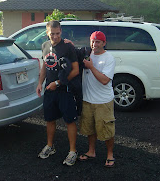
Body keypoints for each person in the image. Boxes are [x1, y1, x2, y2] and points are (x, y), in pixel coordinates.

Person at [36, 20, 80, 166]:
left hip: (64, 90)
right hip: (50, 90)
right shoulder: (44, 46)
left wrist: (57, 83)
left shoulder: (68, 47)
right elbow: (45, 66)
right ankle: (50, 146)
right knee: (49, 119)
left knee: (69, 121)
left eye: (57, 33)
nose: (55, 36)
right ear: (47, 32)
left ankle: (72, 151)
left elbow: (75, 70)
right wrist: (40, 83)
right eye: (51, 34)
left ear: (61, 31)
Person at [77, 31, 116, 168]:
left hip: (103, 101)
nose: (94, 44)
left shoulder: (108, 58)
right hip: (87, 99)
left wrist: (91, 67)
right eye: (92, 41)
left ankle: (110, 154)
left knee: (107, 129)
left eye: (98, 41)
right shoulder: (87, 54)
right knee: (89, 128)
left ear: (104, 43)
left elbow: (105, 80)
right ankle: (91, 151)